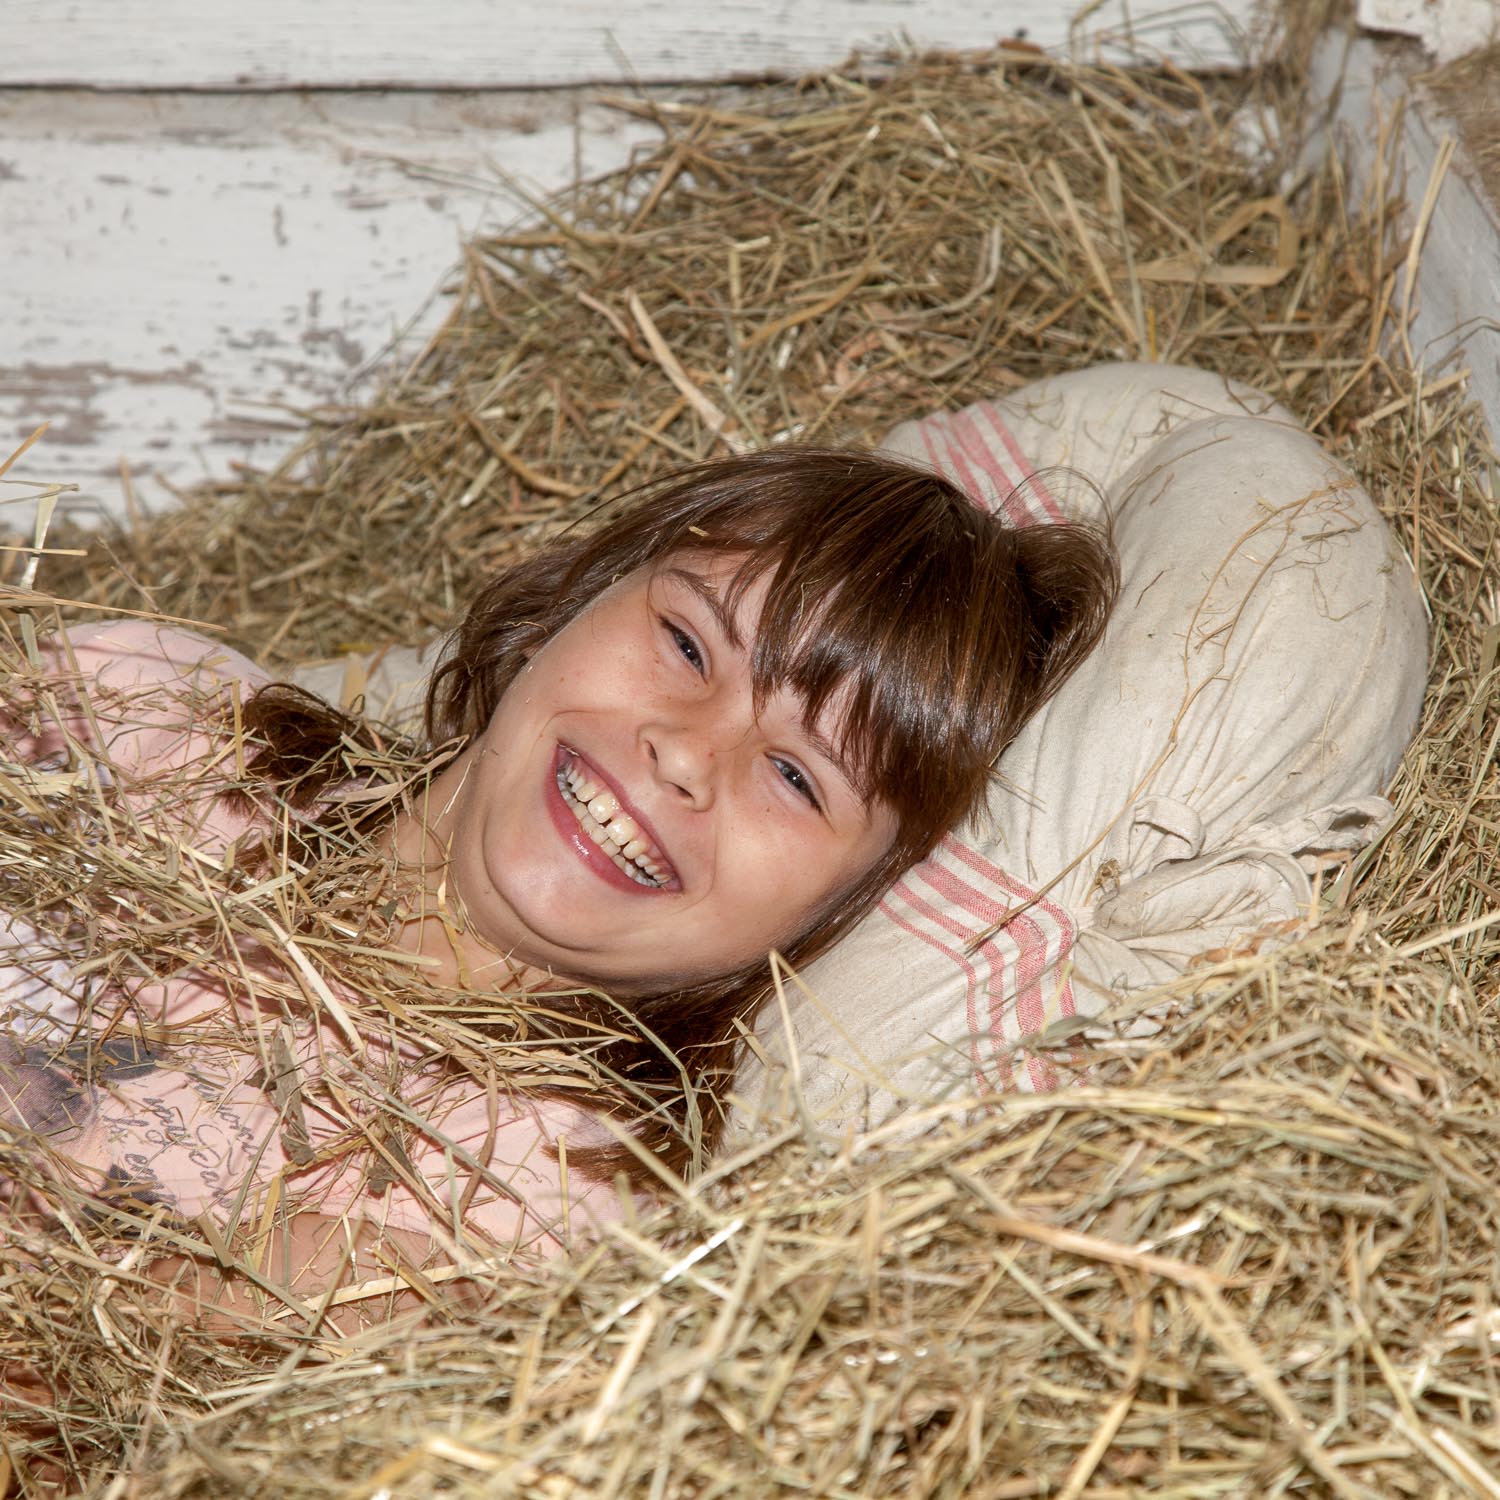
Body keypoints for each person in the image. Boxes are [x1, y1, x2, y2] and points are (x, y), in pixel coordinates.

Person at [0, 447, 1115, 1320]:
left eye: (794, 774)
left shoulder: (539, 1204)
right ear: (571, 600)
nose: (686, 753)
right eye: (688, 645)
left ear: (842, 915)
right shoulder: (163, 728)